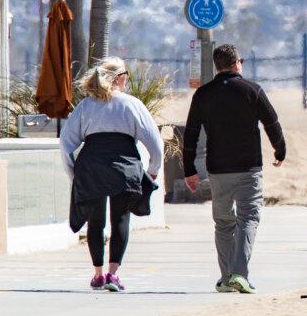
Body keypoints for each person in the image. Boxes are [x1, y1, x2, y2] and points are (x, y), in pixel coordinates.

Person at [183, 44, 286, 294]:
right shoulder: (253, 90)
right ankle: (239, 274)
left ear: (218, 65)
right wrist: (280, 150)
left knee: (223, 223)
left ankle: (227, 277)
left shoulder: (203, 94)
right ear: (237, 63)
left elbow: (191, 133)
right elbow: (272, 123)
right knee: (248, 218)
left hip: (218, 170)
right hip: (249, 167)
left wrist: (189, 169)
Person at [59, 57, 163, 292]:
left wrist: (73, 174)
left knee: (96, 221)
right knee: (120, 218)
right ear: (119, 78)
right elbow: (155, 142)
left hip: (91, 167)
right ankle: (113, 274)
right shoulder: (131, 104)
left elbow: (66, 143)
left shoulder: (86, 106)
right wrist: (153, 170)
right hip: (124, 167)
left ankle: (97, 274)